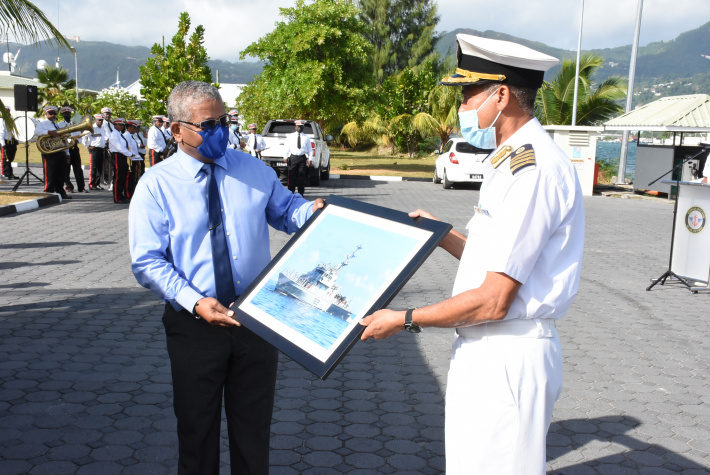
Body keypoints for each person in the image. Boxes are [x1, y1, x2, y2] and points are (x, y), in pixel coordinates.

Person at [359, 34, 585, 475]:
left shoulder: (531, 171)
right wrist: (443, 235)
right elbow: (497, 262)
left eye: (467, 93)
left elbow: (495, 298)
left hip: (507, 352)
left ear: (501, 94)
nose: (461, 106)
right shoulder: (509, 161)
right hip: (485, 349)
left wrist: (405, 318)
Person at [128, 80, 324, 475]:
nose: (220, 131)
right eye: (208, 125)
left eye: (223, 121)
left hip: (256, 318)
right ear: (176, 129)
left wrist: (318, 214)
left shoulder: (253, 170)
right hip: (194, 323)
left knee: (253, 433)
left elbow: (288, 212)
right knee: (197, 434)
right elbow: (147, 261)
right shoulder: (156, 186)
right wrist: (195, 301)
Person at [33, 105, 71, 200]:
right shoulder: (43, 124)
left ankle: (60, 192)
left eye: (54, 113)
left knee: (61, 173)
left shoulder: (57, 124)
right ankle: (48, 192)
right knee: (50, 174)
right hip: (49, 153)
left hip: (59, 151)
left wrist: (67, 153)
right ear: (46, 114)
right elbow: (36, 132)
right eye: (50, 113)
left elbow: (62, 139)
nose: (53, 115)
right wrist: (49, 132)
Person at [59, 106, 88, 193]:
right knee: (66, 169)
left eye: (68, 113)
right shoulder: (60, 125)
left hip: (74, 149)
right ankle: (69, 186)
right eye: (65, 114)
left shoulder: (74, 125)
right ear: (63, 114)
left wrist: (76, 141)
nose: (67, 115)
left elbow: (80, 138)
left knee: (78, 168)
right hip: (65, 149)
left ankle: (81, 187)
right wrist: (69, 141)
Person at [108, 117, 137, 204]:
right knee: (118, 177)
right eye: (119, 125)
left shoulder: (119, 134)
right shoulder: (114, 135)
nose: (121, 126)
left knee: (122, 176)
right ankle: (117, 197)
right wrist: (129, 154)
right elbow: (119, 147)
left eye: (122, 125)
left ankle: (121, 196)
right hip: (117, 155)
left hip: (122, 156)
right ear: (115, 125)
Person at [283, 120, 312, 195]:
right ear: (295, 127)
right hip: (293, 158)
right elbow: (287, 147)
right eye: (298, 127)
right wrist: (285, 156)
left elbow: (310, 149)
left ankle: (300, 194)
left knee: (301, 177)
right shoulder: (291, 136)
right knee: (292, 176)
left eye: (301, 127)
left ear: (303, 127)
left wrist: (310, 159)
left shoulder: (306, 137)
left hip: (302, 158)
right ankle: (290, 194)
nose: (300, 128)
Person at [83, 114, 107, 190]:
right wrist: (87, 146)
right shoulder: (92, 128)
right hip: (94, 149)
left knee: (100, 167)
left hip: (101, 149)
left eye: (101, 120)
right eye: (99, 120)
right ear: (95, 120)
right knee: (93, 167)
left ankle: (97, 183)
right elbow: (84, 136)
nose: (100, 122)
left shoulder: (103, 128)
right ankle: (91, 184)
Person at [125, 119, 143, 198]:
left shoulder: (131, 136)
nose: (135, 130)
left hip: (135, 158)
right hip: (131, 159)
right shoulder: (126, 136)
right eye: (133, 128)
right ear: (129, 128)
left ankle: (132, 193)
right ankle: (128, 194)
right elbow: (128, 148)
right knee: (130, 179)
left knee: (134, 178)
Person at [1, 106, 18, 179]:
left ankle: (9, 173)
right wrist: (3, 144)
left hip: (11, 141)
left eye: (8, 111)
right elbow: (1, 133)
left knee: (10, 158)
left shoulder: (10, 121)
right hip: (5, 141)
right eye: (5, 111)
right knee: (5, 158)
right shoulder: (2, 120)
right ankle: (4, 173)